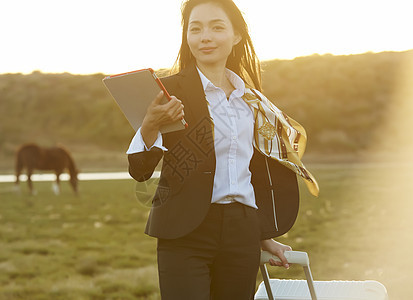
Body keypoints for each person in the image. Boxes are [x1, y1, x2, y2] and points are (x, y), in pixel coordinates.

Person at [126, 0, 319, 299]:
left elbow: (252, 172)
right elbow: (140, 172)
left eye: (217, 27)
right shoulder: (166, 94)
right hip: (184, 232)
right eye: (196, 29)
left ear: (237, 36)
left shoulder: (254, 102)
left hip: (241, 232)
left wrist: (263, 235)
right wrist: (149, 125)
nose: (205, 37)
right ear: (187, 36)